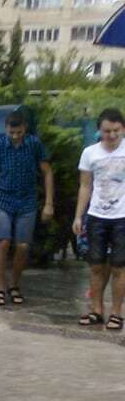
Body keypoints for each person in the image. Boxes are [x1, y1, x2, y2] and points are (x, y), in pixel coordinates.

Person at [0, 111, 54, 306]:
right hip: (3, 198)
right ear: (6, 129)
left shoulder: (34, 144)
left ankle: (14, 284)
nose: (15, 136)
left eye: (19, 132)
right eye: (12, 132)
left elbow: (47, 172)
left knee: (23, 245)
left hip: (27, 199)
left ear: (25, 129)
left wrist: (48, 203)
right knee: (3, 241)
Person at [73, 108, 125, 330]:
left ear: (122, 129)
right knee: (95, 265)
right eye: (107, 131)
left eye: (116, 131)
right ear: (99, 131)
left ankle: (116, 312)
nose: (112, 135)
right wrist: (78, 216)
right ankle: (96, 310)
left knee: (119, 267)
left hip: (122, 216)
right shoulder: (90, 153)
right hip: (96, 216)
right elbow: (85, 186)